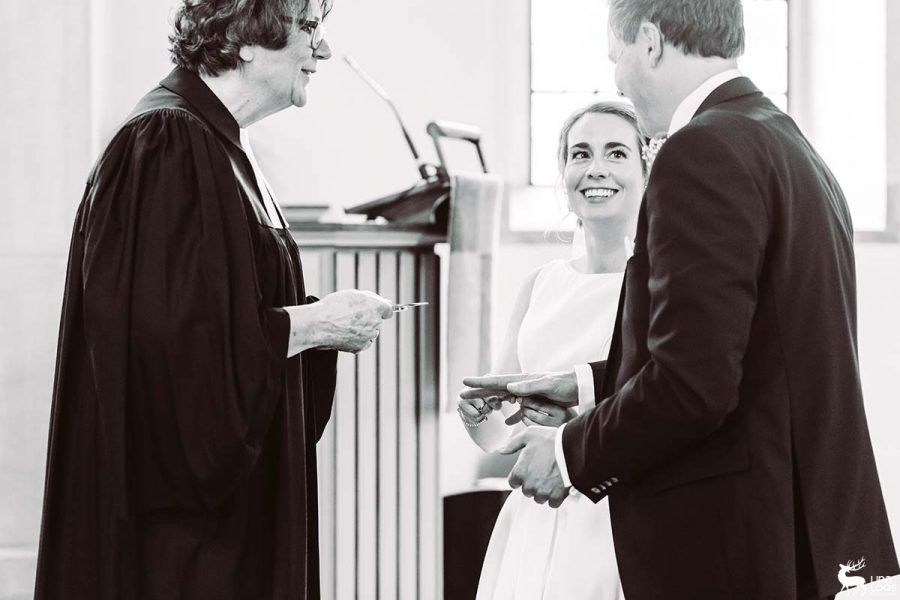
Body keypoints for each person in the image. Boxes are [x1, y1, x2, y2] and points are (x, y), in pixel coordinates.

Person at [464, 0, 899, 598]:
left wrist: (569, 454)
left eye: (616, 59)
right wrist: (587, 384)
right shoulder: (790, 146)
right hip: (795, 526)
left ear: (649, 42)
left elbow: (694, 383)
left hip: (728, 535)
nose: (618, 78)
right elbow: (743, 350)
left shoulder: (700, 151)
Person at [34, 1, 394, 598]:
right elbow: (174, 355)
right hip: (184, 540)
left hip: (224, 520)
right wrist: (314, 324)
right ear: (247, 38)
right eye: (309, 29)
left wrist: (311, 324)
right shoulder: (170, 139)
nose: (324, 51)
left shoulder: (223, 144)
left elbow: (214, 311)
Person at [458, 101, 645, 600]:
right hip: (536, 515)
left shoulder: (659, 286)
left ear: (646, 171)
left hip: (617, 517)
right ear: (564, 173)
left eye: (616, 153)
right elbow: (503, 427)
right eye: (580, 154)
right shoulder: (541, 283)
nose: (596, 168)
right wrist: (480, 415)